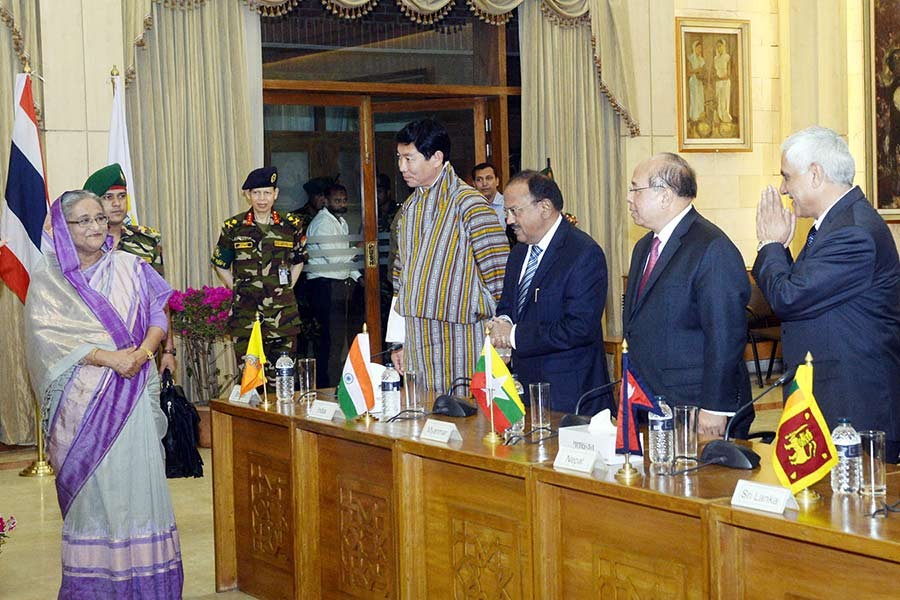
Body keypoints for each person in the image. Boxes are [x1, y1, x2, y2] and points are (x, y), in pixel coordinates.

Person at [24, 190, 182, 598]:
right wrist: (108, 358)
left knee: (139, 487)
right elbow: (47, 341)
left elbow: (156, 312)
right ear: (63, 226)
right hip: (83, 412)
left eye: (99, 218)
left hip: (132, 399)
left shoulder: (131, 265)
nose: (96, 226)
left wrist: (144, 353)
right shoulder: (49, 278)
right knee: (98, 495)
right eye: (83, 221)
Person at [754, 126, 900, 462]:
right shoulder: (834, 224)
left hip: (855, 409)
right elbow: (806, 292)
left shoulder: (852, 233)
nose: (783, 188)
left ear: (816, 174)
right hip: (830, 401)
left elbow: (788, 298)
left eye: (787, 177)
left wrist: (771, 246)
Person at [623, 153, 751, 437]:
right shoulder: (644, 247)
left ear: (665, 195)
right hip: (648, 400)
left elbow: (726, 334)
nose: (629, 198)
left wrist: (715, 407)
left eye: (635, 189)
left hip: (694, 406)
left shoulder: (711, 247)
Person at [386, 118, 509, 392]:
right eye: (399, 158)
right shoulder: (408, 209)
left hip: (464, 337)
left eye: (409, 158)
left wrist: (502, 341)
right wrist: (398, 341)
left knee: (465, 419)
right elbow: (399, 279)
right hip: (417, 337)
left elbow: (499, 277)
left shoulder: (470, 204)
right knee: (423, 422)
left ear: (436, 158)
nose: (401, 167)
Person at [489, 171, 611, 414]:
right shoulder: (519, 252)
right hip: (524, 391)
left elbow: (579, 327)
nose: (509, 220)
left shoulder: (583, 253)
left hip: (569, 397)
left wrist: (514, 335)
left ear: (544, 207)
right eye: (506, 213)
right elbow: (509, 306)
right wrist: (502, 322)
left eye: (515, 211)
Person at [82, 163, 177, 375]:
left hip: (141, 350)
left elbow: (160, 301)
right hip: (96, 352)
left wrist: (169, 350)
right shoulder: (82, 244)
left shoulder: (146, 241)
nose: (117, 204)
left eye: (121, 196)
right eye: (108, 197)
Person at [212, 166, 307, 375]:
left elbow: (299, 260)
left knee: (283, 382)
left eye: (266, 192)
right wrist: (237, 287)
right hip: (247, 317)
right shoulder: (233, 227)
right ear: (247, 195)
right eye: (256, 193)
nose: (262, 199)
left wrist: (287, 286)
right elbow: (220, 263)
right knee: (251, 381)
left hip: (283, 318)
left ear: (275, 194)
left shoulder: (291, 225)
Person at [306, 183, 364, 386]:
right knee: (329, 343)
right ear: (326, 201)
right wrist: (358, 247)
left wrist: (358, 277)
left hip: (338, 285)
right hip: (324, 286)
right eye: (337, 200)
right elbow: (334, 259)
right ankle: (326, 388)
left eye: (344, 200)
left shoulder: (340, 222)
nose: (341, 204)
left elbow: (344, 261)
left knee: (338, 341)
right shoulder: (322, 223)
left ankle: (336, 384)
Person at [472, 162, 505, 229]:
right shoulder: (470, 208)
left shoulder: (507, 205)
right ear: (474, 184)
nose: (484, 183)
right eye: (479, 180)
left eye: (489, 178)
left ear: (497, 181)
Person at [714, 38, 732, 125]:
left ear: (723, 46)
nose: (719, 48)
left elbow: (729, 73)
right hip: (718, 82)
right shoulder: (715, 58)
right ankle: (719, 117)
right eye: (717, 47)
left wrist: (721, 78)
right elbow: (714, 71)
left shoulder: (727, 57)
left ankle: (725, 118)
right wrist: (716, 77)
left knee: (724, 99)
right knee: (718, 100)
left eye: (720, 46)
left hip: (725, 82)